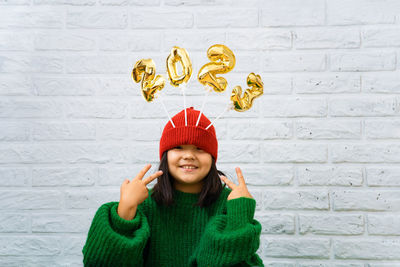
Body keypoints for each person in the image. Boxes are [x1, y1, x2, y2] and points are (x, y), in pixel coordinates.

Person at [82, 107, 264, 267]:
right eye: (178, 147)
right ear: (165, 156)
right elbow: (98, 262)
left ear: (212, 158)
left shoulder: (230, 203)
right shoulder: (144, 204)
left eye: (199, 148)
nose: (189, 156)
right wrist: (125, 210)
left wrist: (240, 215)